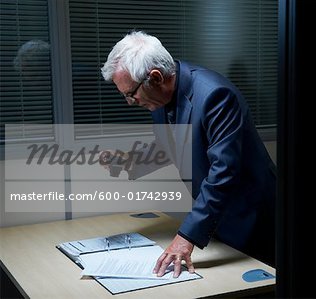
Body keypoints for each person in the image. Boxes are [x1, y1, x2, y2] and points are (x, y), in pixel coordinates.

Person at [101, 31, 276, 277]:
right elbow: (170, 145)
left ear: (155, 77)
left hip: (252, 217)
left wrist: (186, 236)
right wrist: (130, 162)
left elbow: (223, 174)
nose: (130, 102)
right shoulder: (160, 97)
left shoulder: (216, 95)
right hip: (216, 218)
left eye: (131, 94)